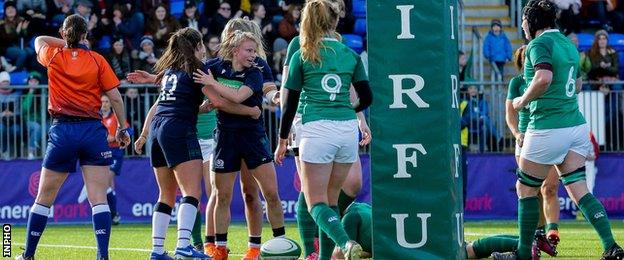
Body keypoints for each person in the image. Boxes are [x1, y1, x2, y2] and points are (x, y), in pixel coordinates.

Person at [492, 1, 624, 259]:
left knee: (525, 189)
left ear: (532, 22)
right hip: (575, 126)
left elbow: (543, 79)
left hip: (547, 128)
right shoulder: (568, 45)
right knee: (579, 191)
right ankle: (611, 246)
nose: (521, 25)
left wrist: (522, 101)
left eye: (523, 21)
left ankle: (522, 253)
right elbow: (576, 86)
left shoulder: (538, 45)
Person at [16, 14, 130, 260]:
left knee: (44, 198)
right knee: (98, 198)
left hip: (63, 131)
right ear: (85, 35)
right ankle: (102, 256)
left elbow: (38, 39)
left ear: (63, 34)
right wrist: (122, 128)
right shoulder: (97, 60)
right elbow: (116, 97)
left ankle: (28, 256)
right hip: (92, 131)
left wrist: (65, 42)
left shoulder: (53, 55)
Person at [274, 0, 373, 259]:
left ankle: (345, 243)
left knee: (315, 200)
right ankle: (322, 256)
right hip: (345, 128)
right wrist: (350, 110)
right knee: (331, 199)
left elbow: (289, 102)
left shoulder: (302, 53)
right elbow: (366, 96)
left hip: (315, 126)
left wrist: (282, 139)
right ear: (334, 20)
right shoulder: (349, 53)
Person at [192, 28, 286, 260]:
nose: (254, 55)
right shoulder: (215, 67)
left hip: (253, 138)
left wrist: (214, 89)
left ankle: (276, 245)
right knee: (222, 196)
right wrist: (156, 79)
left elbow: (237, 96)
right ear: (235, 50)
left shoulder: (255, 72)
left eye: (255, 50)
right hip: (225, 138)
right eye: (249, 50)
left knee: (270, 193)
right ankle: (219, 249)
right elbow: (188, 76)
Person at [131, 27, 214, 260]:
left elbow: (165, 105)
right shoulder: (198, 68)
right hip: (178, 129)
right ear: (197, 46)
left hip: (159, 129)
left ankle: (157, 251)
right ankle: (184, 246)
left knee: (165, 194)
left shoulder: (169, 71)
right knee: (192, 192)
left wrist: (145, 134)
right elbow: (217, 98)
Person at [505, 46, 560, 255]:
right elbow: (510, 115)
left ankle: (551, 232)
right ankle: (536, 237)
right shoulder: (517, 83)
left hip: (549, 135)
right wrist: (518, 134)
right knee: (531, 190)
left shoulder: (550, 79)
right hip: (526, 140)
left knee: (550, 188)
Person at [100, 95, 129, 225]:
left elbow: (113, 137)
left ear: (111, 104)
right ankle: (113, 214)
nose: (104, 104)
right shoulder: (97, 119)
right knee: (108, 185)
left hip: (115, 153)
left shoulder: (114, 118)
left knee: (106, 181)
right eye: (102, 102)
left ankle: (112, 213)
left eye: (107, 102)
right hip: (102, 153)